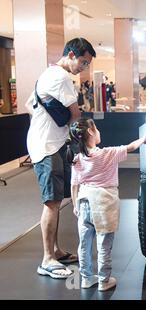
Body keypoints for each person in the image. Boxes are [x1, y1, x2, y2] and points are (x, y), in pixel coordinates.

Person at [26, 38, 96, 279]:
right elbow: (75, 116)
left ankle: (55, 250)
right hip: (46, 146)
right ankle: (47, 259)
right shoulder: (61, 77)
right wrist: (91, 142)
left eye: (87, 64)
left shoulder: (47, 74)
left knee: (56, 200)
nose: (84, 67)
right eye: (84, 62)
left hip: (49, 143)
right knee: (52, 202)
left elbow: (30, 106)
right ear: (71, 54)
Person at [68, 118, 146, 291]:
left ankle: (86, 278)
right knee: (104, 244)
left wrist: (75, 205)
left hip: (84, 202)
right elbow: (131, 147)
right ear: (90, 132)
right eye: (97, 128)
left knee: (84, 243)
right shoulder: (107, 153)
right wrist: (144, 138)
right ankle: (104, 280)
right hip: (103, 203)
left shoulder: (77, 158)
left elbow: (74, 185)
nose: (99, 131)